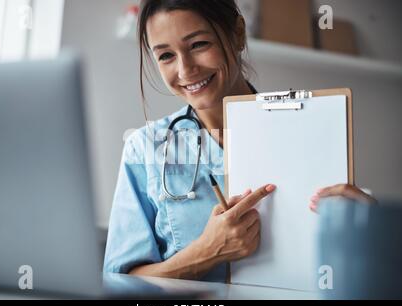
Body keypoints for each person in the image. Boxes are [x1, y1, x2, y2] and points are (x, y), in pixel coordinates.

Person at [103, 0, 376, 282]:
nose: (185, 70)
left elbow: (345, 269)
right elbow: (119, 282)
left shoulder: (308, 128)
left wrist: (372, 230)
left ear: (238, 33)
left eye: (198, 44)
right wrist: (204, 253)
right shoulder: (145, 148)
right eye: (166, 56)